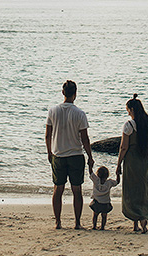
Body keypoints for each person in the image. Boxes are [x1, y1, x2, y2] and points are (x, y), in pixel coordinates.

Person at [45, 80, 94, 230]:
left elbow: (48, 135)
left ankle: (58, 222)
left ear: (63, 93)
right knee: (77, 190)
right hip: (76, 155)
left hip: (58, 154)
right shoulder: (79, 113)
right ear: (75, 94)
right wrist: (90, 156)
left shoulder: (53, 111)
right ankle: (77, 222)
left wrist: (49, 152)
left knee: (58, 189)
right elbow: (85, 138)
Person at [116, 94, 148, 233]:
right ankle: (144, 220)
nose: (127, 112)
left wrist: (118, 164)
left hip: (132, 160)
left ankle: (135, 224)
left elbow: (124, 147)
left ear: (132, 110)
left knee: (132, 190)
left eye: (127, 110)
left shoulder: (129, 125)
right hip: (146, 159)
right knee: (145, 189)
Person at [89, 165, 120, 230]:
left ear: (98, 174)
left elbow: (91, 173)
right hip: (105, 202)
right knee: (104, 216)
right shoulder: (109, 182)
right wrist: (118, 174)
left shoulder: (96, 180)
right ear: (107, 175)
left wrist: (90, 166)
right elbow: (117, 182)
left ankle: (94, 226)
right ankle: (102, 227)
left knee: (95, 215)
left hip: (96, 201)